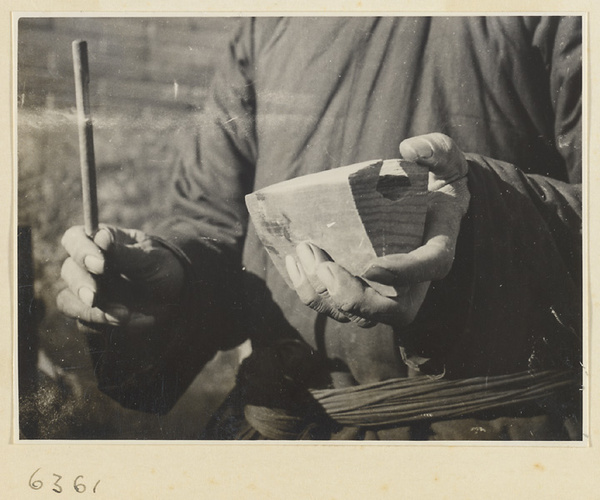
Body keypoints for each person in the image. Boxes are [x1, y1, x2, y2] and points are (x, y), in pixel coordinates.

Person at [57, 16, 582, 440]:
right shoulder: (267, 24)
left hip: (481, 436)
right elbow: (213, 221)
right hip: (292, 432)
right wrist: (172, 275)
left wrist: (474, 232)